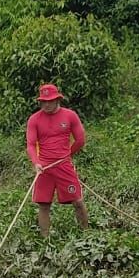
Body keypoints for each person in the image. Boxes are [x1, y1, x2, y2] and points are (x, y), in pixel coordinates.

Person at [25, 83, 89, 237]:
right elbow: (31, 145)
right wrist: (36, 163)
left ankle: (87, 235)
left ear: (57, 99)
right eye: (43, 101)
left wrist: (67, 155)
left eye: (50, 101)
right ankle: (45, 239)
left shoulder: (70, 115)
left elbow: (80, 140)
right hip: (44, 168)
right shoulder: (34, 119)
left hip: (64, 166)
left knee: (78, 202)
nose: (46, 104)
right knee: (43, 205)